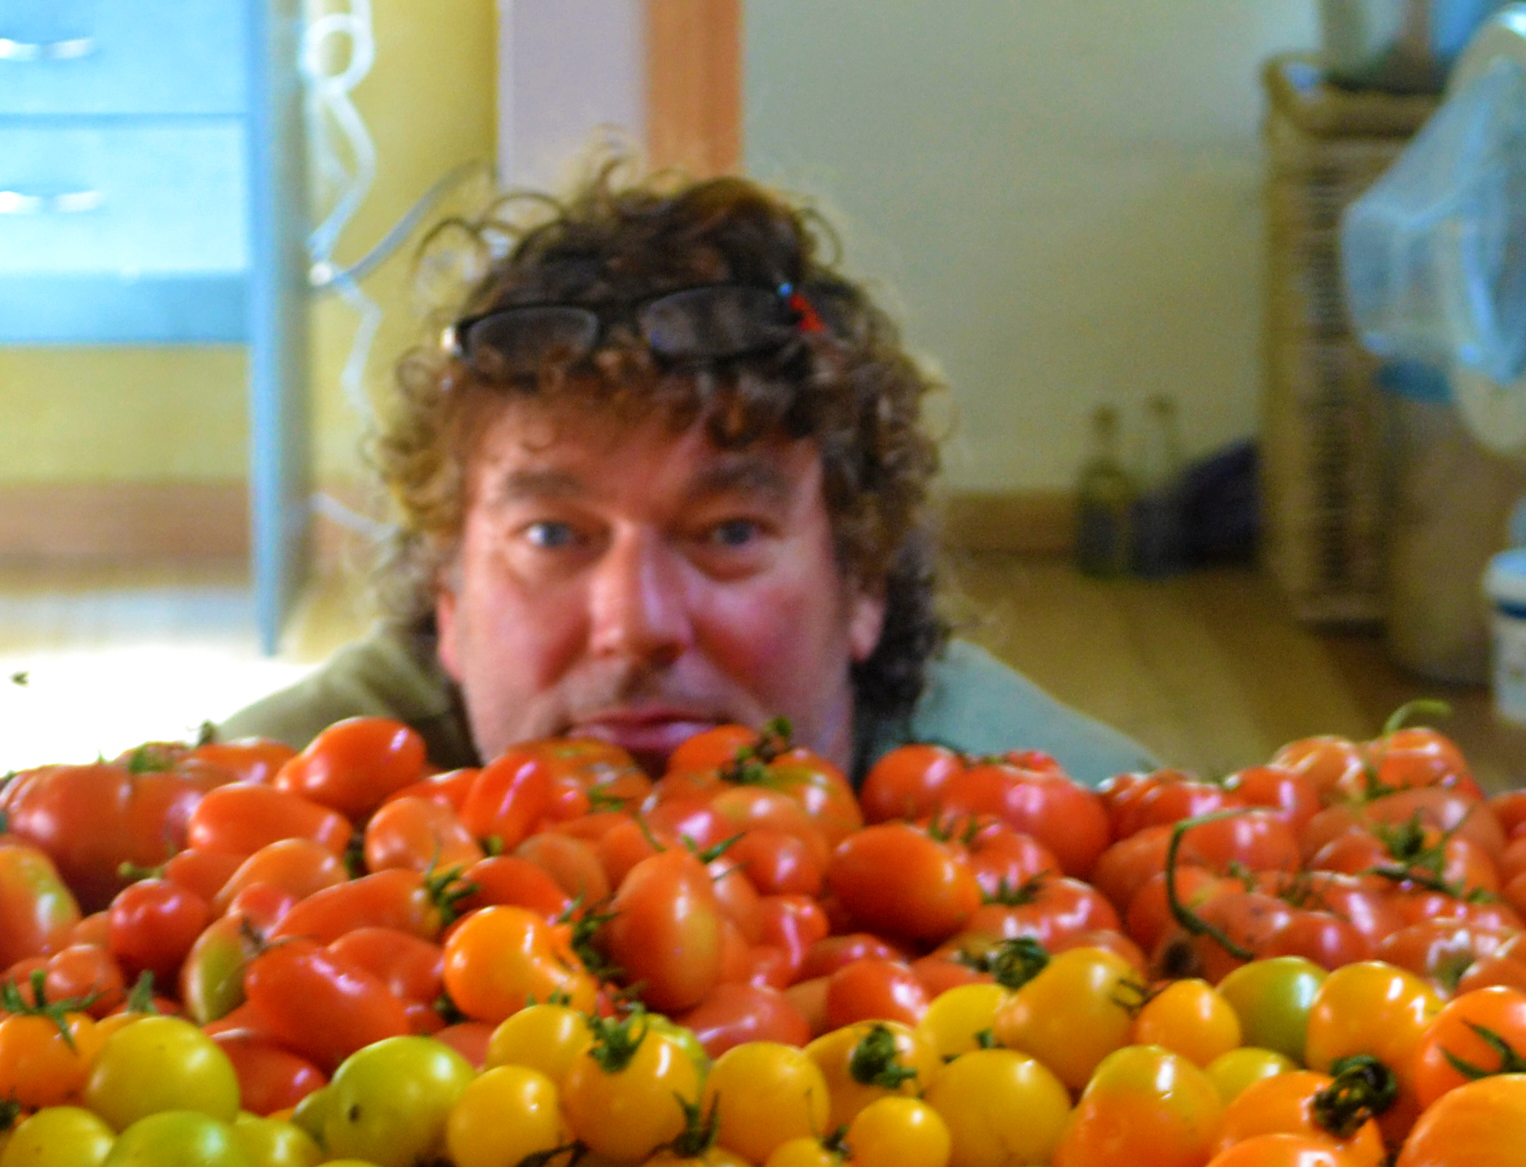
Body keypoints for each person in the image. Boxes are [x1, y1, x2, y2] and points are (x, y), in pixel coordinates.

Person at [216, 169, 1154, 784]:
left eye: (728, 532)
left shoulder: (1079, 815)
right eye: (554, 536)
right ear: (448, 602)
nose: (638, 626)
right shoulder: (252, 806)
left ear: (862, 582)